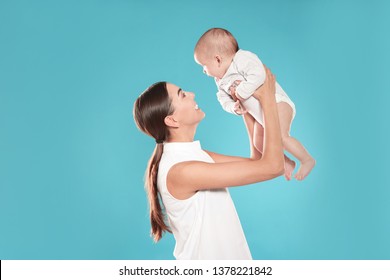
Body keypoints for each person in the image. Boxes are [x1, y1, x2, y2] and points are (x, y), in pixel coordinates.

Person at [133, 67, 284, 260]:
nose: (192, 94)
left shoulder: (193, 156)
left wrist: (245, 107)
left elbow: (258, 163)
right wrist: (267, 99)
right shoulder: (182, 170)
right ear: (171, 120)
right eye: (182, 95)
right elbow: (273, 166)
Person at [194, 28, 315, 180]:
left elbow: (259, 74)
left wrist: (240, 92)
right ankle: (286, 162)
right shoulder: (220, 80)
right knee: (259, 143)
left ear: (217, 59)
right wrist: (233, 107)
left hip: (278, 102)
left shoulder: (242, 59)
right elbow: (222, 98)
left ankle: (307, 159)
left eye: (203, 66)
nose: (203, 71)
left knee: (281, 137)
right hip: (261, 114)